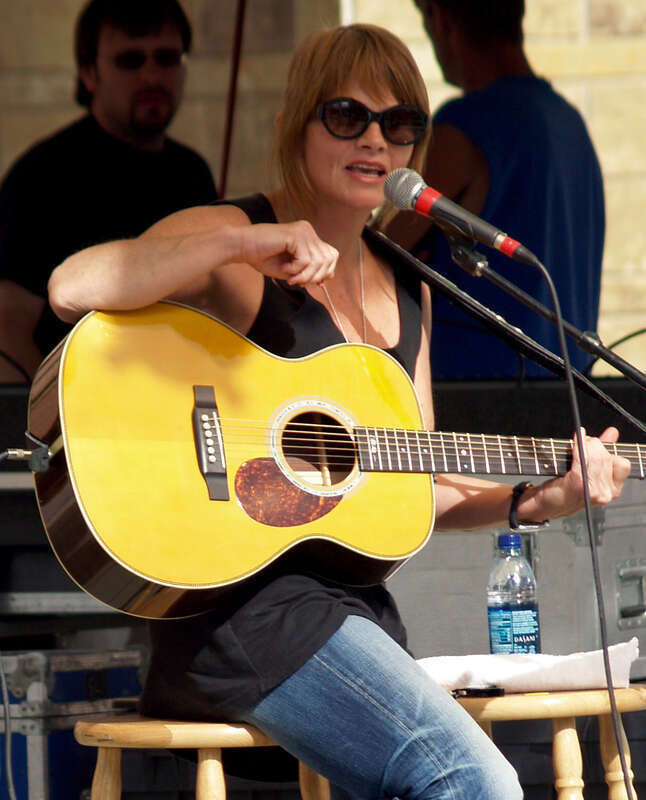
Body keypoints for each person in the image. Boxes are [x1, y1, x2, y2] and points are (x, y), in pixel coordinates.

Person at [47, 24, 630, 800]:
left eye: (401, 125)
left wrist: (535, 500)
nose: (376, 141)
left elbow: (414, 478)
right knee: (472, 779)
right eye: (348, 116)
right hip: (244, 617)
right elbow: (73, 286)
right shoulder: (238, 241)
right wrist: (241, 242)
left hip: (355, 619)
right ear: (299, 123)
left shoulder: (410, 287)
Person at [387, 0, 605, 380]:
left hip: (480, 400)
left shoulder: (465, 126)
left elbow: (380, 249)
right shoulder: (571, 124)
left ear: (440, 18)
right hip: (571, 394)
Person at [0, 0, 216, 382]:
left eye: (166, 58)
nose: (151, 76)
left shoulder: (192, 172)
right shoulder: (41, 175)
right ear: (89, 73)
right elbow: (9, 323)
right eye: (130, 61)